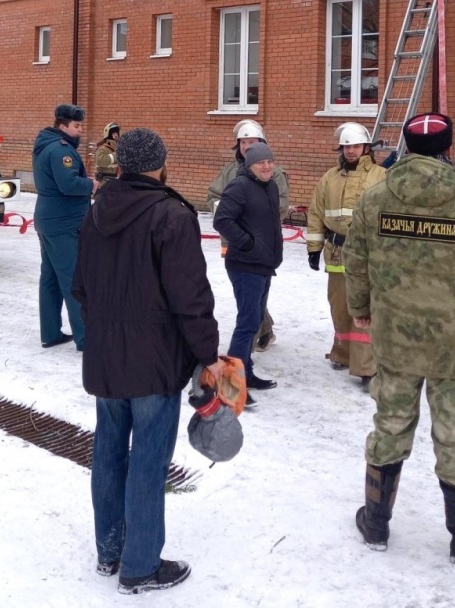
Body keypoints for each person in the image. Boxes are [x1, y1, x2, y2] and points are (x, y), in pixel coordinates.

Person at [343, 113, 455, 565]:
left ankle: (377, 523)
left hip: (396, 338)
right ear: (447, 147)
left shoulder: (374, 198)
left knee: (390, 424)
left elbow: (356, 259)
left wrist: (360, 309)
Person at [72, 128, 222, 595]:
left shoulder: (98, 211)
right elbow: (191, 298)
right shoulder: (170, 216)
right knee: (148, 462)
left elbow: (79, 286)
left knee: (109, 454)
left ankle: (110, 550)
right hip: (153, 362)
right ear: (159, 164)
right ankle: (139, 566)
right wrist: (207, 355)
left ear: (120, 166)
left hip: (106, 358)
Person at [306, 123, 386, 387]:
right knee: (339, 307)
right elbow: (316, 213)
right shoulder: (329, 178)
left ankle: (366, 367)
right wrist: (314, 249)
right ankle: (342, 353)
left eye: (355, 146)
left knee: (364, 309)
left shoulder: (382, 176)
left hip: (368, 256)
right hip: (337, 254)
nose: (350, 151)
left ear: (366, 148)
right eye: (346, 146)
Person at [207, 120, 289, 352]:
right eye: (244, 142)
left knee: (252, 300)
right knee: (246, 298)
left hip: (261, 247)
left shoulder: (273, 175)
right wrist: (235, 223)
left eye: (253, 142)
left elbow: (279, 207)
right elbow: (214, 199)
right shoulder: (231, 172)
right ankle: (248, 350)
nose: (247, 146)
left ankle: (260, 335)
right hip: (236, 244)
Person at [213, 142, 283, 408]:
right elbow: (222, 220)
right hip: (244, 265)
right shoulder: (239, 186)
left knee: (253, 323)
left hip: (264, 265)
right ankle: (229, 388)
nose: (266, 166)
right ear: (249, 166)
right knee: (247, 324)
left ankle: (247, 374)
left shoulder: (271, 186)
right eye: (260, 163)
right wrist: (248, 243)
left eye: (269, 162)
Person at [33, 104, 98, 351]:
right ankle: (86, 339)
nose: (80, 130)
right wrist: (91, 185)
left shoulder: (45, 145)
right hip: (63, 223)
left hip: (49, 220)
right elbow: (69, 184)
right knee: (73, 280)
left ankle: (50, 333)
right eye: (76, 126)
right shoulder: (61, 151)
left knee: (50, 278)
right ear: (63, 126)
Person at [95, 122, 120, 188]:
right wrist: (116, 155)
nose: (116, 135)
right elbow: (101, 161)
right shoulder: (103, 148)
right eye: (113, 133)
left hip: (115, 183)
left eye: (117, 133)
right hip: (104, 183)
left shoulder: (117, 148)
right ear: (108, 134)